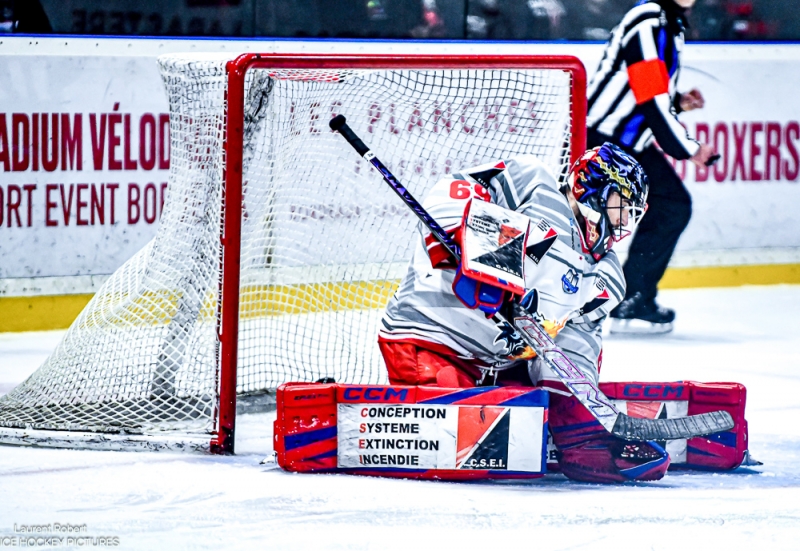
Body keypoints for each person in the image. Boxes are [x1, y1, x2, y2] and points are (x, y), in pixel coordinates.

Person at [378, 145, 671, 483]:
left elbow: (576, 345)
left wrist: (576, 420)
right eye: (622, 205)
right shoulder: (534, 183)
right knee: (457, 449)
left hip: (499, 368)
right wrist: (480, 253)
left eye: (632, 213)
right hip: (432, 340)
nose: (625, 221)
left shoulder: (607, 276)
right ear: (593, 187)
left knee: (511, 430)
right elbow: (453, 192)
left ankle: (579, 436)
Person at [586, 0, 717, 334]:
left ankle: (633, 298)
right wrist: (690, 149)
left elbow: (648, 89)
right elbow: (650, 97)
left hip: (627, 145)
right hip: (601, 142)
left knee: (671, 205)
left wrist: (677, 103)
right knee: (587, 222)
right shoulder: (648, 19)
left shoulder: (668, 23)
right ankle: (620, 298)